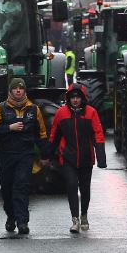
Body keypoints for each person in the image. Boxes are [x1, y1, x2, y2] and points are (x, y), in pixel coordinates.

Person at [0, 78, 48, 235]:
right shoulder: (0, 108)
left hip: (25, 154)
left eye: (21, 89)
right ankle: (11, 217)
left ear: (25, 91)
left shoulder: (34, 110)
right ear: (10, 91)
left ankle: (22, 222)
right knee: (7, 188)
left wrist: (45, 154)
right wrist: (9, 127)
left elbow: (41, 133)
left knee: (21, 186)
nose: (18, 91)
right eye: (15, 89)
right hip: (6, 154)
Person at [45, 83, 106, 233]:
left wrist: (101, 158)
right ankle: (75, 220)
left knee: (84, 189)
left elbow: (98, 134)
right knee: (71, 186)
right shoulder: (61, 113)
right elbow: (54, 136)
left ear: (83, 98)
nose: (75, 100)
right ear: (68, 99)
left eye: (78, 97)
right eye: (72, 97)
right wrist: (47, 155)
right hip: (68, 158)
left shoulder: (91, 113)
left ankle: (84, 214)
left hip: (86, 158)